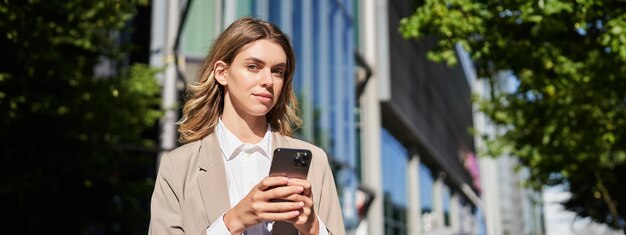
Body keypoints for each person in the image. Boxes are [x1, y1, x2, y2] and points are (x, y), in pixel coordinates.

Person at [148, 17, 345, 235]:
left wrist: (313, 228)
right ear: (222, 73)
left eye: (277, 71)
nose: (268, 80)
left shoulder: (314, 161)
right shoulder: (178, 166)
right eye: (253, 66)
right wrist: (233, 221)